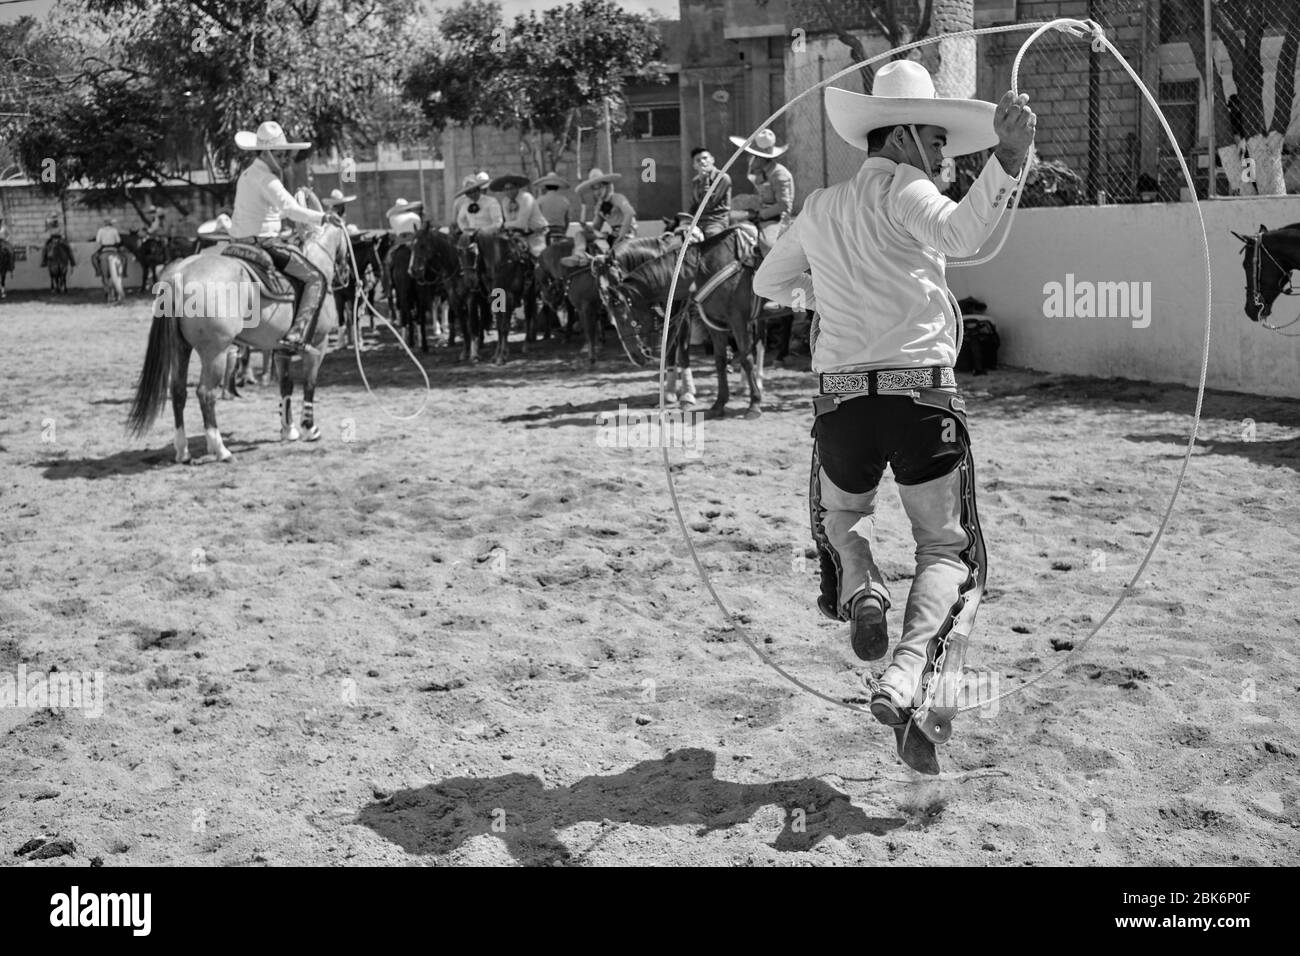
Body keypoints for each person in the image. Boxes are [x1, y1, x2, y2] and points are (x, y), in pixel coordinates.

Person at [752, 59, 1036, 775]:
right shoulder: (908, 187)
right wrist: (1008, 160)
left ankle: (862, 586)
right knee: (949, 553)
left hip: (843, 403)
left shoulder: (819, 206)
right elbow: (963, 234)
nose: (944, 155)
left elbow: (767, 281)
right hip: (920, 400)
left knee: (839, 519)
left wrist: (824, 294)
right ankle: (907, 675)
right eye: (938, 141)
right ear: (905, 136)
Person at [228, 120, 342, 352]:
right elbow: (290, 209)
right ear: (267, 153)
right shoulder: (267, 179)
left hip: (238, 243)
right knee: (315, 278)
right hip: (265, 244)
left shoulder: (247, 175)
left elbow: (263, 213)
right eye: (280, 155)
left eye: (286, 154)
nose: (285, 159)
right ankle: (297, 335)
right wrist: (324, 218)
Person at [730, 127, 794, 313]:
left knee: (767, 243)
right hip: (761, 211)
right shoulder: (759, 172)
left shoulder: (780, 175)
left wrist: (760, 215)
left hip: (776, 218)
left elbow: (784, 205)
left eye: (754, 156)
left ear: (763, 158)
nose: (751, 160)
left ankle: (779, 291)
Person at [495, 174, 548, 257]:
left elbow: (521, 223)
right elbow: (509, 221)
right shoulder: (505, 201)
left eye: (511, 188)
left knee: (538, 256)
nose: (509, 191)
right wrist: (508, 226)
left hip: (536, 234)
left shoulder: (526, 198)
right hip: (517, 235)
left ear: (517, 187)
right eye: (506, 189)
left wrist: (506, 224)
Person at [687, 147, 732, 238]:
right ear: (694, 166)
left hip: (716, 221)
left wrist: (704, 181)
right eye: (698, 160)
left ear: (712, 160)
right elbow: (694, 205)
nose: (702, 162)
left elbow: (709, 204)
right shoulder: (695, 181)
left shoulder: (723, 178)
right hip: (698, 221)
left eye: (705, 158)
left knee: (711, 240)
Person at [533, 171, 571, 244]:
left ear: (546, 186)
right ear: (558, 187)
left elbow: (536, 219)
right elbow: (567, 220)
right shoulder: (565, 201)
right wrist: (564, 232)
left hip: (545, 234)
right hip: (560, 232)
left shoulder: (540, 200)